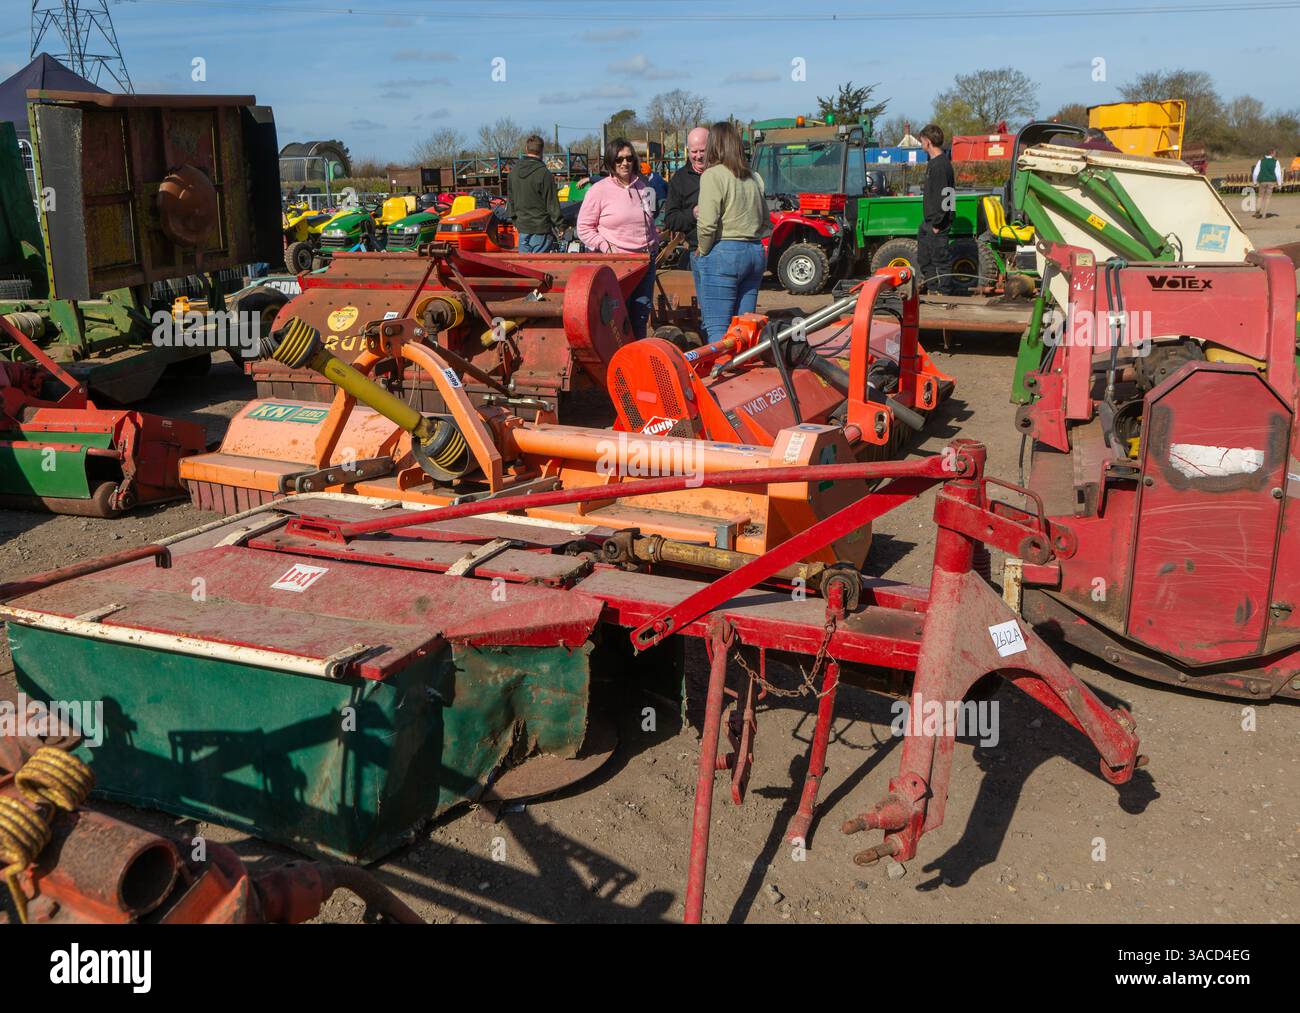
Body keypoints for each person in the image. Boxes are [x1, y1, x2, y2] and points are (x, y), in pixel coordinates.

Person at [693, 120, 770, 341]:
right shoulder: (754, 177)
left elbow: (707, 223)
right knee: (746, 328)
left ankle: (719, 372)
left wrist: (703, 249)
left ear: (714, 145)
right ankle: (745, 373)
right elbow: (766, 221)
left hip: (724, 253)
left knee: (718, 329)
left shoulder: (713, 175)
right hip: (754, 253)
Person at [577, 138, 660, 339]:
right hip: (617, 266)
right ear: (611, 162)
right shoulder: (598, 191)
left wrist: (655, 242)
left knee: (640, 316)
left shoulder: (644, 188)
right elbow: (584, 228)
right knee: (615, 320)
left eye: (629, 158)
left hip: (645, 263)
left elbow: (650, 221)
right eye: (619, 159)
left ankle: (636, 364)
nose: (625, 163)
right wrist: (605, 247)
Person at [663, 126, 708, 287]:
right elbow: (670, 220)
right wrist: (693, 214)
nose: (698, 156)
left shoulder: (721, 173)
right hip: (698, 251)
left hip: (724, 248)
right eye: (694, 152)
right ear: (687, 151)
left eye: (703, 150)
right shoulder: (679, 179)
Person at [916, 123, 955, 296]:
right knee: (924, 258)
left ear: (928, 142)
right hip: (929, 222)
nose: (921, 144)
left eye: (922, 140)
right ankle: (933, 288)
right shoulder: (936, 163)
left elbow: (946, 196)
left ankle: (944, 293)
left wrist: (939, 223)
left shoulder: (940, 165)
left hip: (937, 222)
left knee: (941, 260)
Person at [508, 134, 565, 252]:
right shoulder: (544, 174)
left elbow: (511, 200)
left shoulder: (513, 172)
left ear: (526, 149)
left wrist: (514, 220)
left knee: (524, 269)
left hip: (522, 228)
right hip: (540, 229)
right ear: (541, 151)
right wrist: (561, 226)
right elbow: (552, 204)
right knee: (539, 268)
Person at [1251, 148, 1282, 219]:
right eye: (1275, 153)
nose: (1275, 154)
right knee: (1267, 198)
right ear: (1272, 153)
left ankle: (1258, 211)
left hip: (1262, 181)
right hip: (1271, 182)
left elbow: (1255, 173)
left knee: (1260, 197)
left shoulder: (1261, 161)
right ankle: (1264, 214)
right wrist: (1279, 184)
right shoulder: (1276, 161)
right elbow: (1278, 174)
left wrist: (1255, 182)